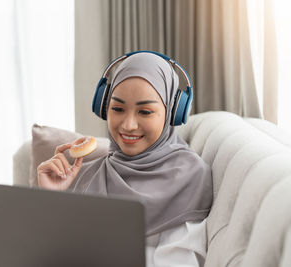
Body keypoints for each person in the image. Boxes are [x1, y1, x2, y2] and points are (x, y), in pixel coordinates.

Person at [37, 52, 213, 267]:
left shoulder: (190, 177)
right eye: (118, 109)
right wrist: (50, 198)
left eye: (145, 112)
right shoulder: (85, 175)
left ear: (172, 113)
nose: (128, 125)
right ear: (104, 107)